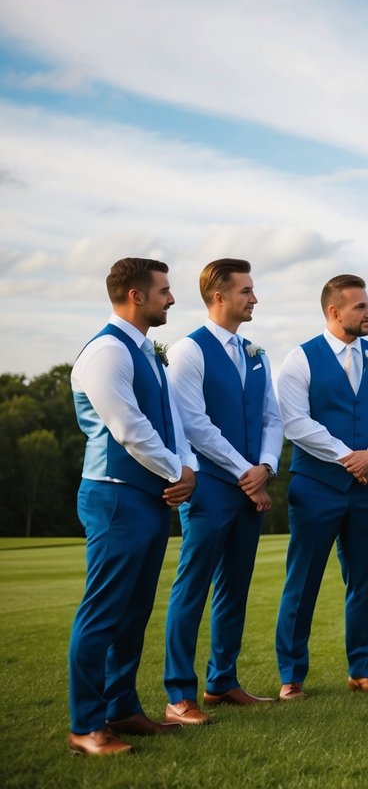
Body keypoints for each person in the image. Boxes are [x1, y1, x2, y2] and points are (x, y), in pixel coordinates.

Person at [68, 257, 197, 755]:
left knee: (134, 611)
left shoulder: (147, 352)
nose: (171, 298)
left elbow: (169, 420)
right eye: (164, 290)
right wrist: (175, 471)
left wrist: (187, 469)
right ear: (136, 296)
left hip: (149, 495)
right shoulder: (106, 351)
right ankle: (85, 726)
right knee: (102, 612)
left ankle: (121, 707)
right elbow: (127, 428)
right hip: (114, 494)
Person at [162, 259, 283, 725]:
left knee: (235, 587)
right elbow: (193, 424)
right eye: (246, 291)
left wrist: (267, 466)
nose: (254, 298)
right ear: (219, 297)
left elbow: (273, 417)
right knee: (192, 587)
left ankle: (222, 682)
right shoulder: (188, 352)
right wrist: (245, 472)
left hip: (251, 486)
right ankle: (178, 694)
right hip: (211, 486)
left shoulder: (257, 353)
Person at [274, 274, 368, 699]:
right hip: (316, 486)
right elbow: (295, 423)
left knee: (364, 581)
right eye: (361, 307)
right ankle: (292, 676)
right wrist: (347, 457)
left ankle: (363, 672)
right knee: (303, 580)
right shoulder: (301, 359)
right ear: (335, 312)